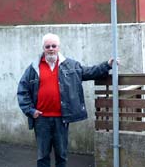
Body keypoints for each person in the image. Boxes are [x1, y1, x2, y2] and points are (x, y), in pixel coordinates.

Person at [17, 33, 114, 167]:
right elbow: (22, 90)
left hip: (61, 119)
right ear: (43, 48)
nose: (51, 49)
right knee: (42, 156)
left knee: (61, 156)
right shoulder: (34, 68)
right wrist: (31, 111)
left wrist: (107, 65)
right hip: (41, 119)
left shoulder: (70, 65)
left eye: (54, 46)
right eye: (47, 46)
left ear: (59, 47)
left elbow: (90, 72)